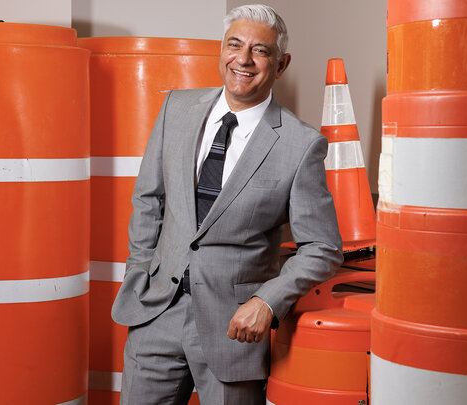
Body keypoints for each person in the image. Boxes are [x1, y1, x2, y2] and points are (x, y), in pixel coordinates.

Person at [111, 4, 343, 404]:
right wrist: (141, 270)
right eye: (234, 45)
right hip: (155, 313)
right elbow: (149, 200)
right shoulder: (176, 110)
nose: (244, 59)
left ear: (281, 63)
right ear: (222, 50)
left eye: (260, 50)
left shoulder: (300, 145)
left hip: (233, 329)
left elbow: (322, 247)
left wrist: (267, 301)